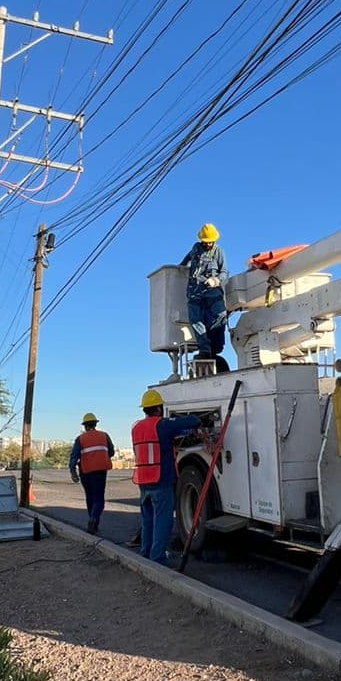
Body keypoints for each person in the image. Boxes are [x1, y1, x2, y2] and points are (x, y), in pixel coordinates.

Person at [131, 388, 202, 564]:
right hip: (160, 481)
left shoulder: (136, 427)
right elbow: (192, 421)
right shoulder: (162, 424)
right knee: (163, 522)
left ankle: (146, 554)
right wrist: (195, 418)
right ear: (159, 408)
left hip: (143, 481)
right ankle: (157, 560)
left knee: (148, 521)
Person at [181, 222, 229, 369]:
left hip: (212, 293)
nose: (208, 244)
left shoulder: (218, 252)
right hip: (195, 292)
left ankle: (215, 349)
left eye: (211, 241)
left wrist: (216, 280)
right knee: (196, 320)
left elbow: (225, 272)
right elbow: (184, 263)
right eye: (206, 241)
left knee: (219, 317)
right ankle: (205, 350)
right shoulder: (195, 249)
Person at [69, 411, 114, 534]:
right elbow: (112, 451)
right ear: (95, 424)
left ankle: (92, 521)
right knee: (98, 499)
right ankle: (94, 520)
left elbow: (74, 456)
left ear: (85, 426)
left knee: (90, 497)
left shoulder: (80, 439)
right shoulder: (104, 436)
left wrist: (73, 471)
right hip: (100, 471)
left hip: (85, 472)